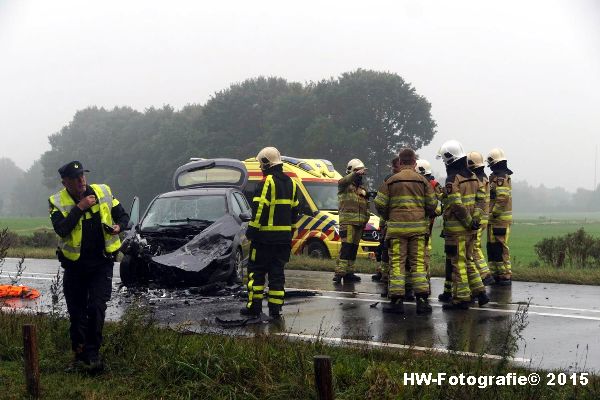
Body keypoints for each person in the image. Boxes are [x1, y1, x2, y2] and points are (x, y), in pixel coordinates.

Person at [49, 161, 129, 371]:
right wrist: (80, 208)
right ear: (65, 182)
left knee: (96, 307)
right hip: (74, 267)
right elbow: (62, 229)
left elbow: (123, 215)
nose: (81, 181)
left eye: (82, 176)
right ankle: (78, 356)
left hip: (101, 264)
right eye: (75, 178)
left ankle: (93, 356)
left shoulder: (103, 192)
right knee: (76, 313)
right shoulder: (57, 202)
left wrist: (119, 226)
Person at [374, 149, 437, 314]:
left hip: (396, 230)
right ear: (415, 162)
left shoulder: (391, 181)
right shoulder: (423, 181)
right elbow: (432, 205)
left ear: (400, 162)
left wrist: (389, 215)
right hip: (418, 230)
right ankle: (422, 302)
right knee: (418, 265)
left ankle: (396, 302)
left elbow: (380, 204)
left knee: (397, 264)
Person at [242, 147, 299, 318]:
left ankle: (254, 308)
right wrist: (290, 234)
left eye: (261, 164)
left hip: (264, 240)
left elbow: (259, 209)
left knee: (256, 273)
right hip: (283, 241)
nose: (260, 168)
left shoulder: (267, 182)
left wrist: (252, 230)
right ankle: (275, 310)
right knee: (277, 275)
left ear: (266, 163)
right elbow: (294, 213)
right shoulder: (293, 184)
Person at [435, 141, 489, 310]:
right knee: (469, 260)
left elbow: (456, 205)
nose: (444, 164)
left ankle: (461, 298)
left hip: (457, 230)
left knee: (458, 264)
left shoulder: (452, 179)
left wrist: (467, 222)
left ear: (450, 160)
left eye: (444, 160)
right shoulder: (473, 176)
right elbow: (481, 200)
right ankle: (480, 293)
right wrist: (475, 221)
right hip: (472, 228)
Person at [334, 158, 370, 283]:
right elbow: (343, 180)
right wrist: (355, 174)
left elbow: (366, 205)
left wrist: (366, 219)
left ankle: (349, 272)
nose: (360, 174)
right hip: (348, 221)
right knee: (346, 247)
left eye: (361, 172)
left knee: (354, 249)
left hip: (359, 223)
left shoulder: (362, 188)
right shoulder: (344, 185)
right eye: (357, 171)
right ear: (350, 171)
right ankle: (339, 273)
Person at [414, 159, 444, 296]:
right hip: (418, 221)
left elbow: (444, 198)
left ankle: (424, 277)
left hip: (425, 223)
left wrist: (436, 212)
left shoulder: (432, 184)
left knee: (424, 250)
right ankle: (422, 277)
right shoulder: (421, 183)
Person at [486, 148, 513, 285]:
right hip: (493, 220)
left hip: (499, 220)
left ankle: (505, 275)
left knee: (500, 247)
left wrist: (492, 214)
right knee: (492, 247)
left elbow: (502, 198)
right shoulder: (495, 177)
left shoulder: (501, 178)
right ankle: (497, 273)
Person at [467, 151, 495, 286]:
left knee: (474, 246)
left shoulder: (477, 179)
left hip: (479, 217)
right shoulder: (484, 177)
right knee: (476, 245)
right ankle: (482, 274)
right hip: (484, 216)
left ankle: (485, 275)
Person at [372, 157, 401, 285]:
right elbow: (380, 202)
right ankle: (383, 273)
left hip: (395, 221)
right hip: (386, 220)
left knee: (393, 250)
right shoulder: (388, 179)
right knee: (384, 248)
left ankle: (388, 274)